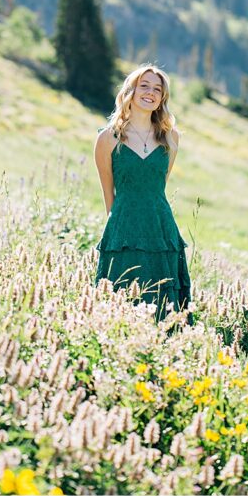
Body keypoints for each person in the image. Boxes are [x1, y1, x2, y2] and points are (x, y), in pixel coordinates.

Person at [94, 64, 191, 322]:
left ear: (162, 98)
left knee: (165, 304)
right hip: (123, 231)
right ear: (131, 91)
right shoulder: (108, 138)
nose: (150, 93)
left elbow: (159, 186)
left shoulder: (171, 138)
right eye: (144, 86)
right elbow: (108, 194)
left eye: (157, 89)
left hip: (161, 231)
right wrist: (118, 232)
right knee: (120, 299)